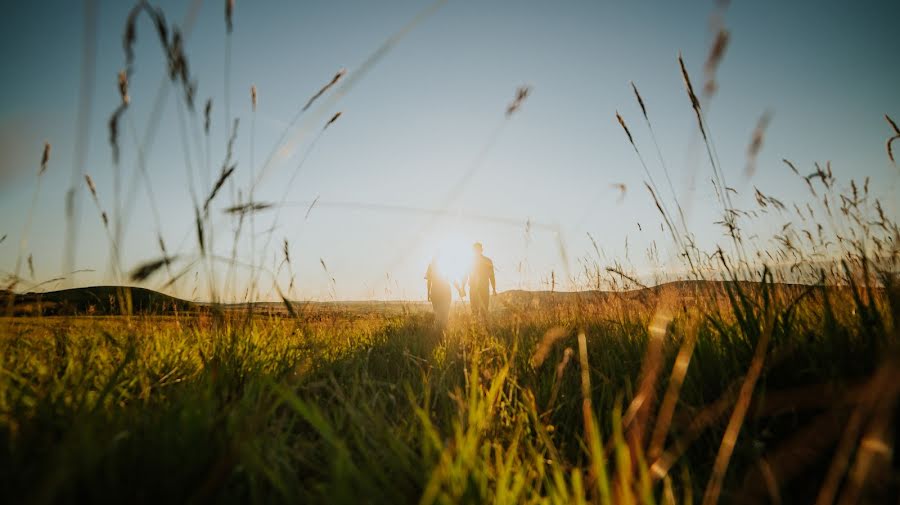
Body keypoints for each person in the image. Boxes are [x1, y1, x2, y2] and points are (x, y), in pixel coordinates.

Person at [459, 242, 496, 319]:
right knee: (476, 310)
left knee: (481, 310)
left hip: (481, 288)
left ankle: (481, 328)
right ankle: (478, 329)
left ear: (481, 250)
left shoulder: (486, 261)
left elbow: (492, 276)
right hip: (476, 288)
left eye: (477, 249)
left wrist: (494, 289)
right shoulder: (485, 260)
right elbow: (465, 275)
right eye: (476, 249)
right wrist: (462, 287)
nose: (477, 251)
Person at [425, 256, 451, 329]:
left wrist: (428, 293)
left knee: (438, 312)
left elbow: (429, 281)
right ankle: (442, 330)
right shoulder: (446, 264)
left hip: (436, 291)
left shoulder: (431, 266)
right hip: (445, 291)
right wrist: (459, 289)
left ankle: (440, 330)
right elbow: (453, 279)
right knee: (444, 313)